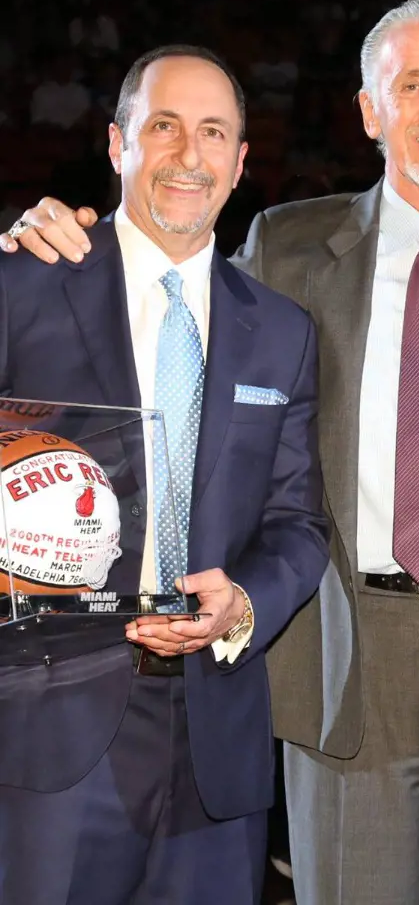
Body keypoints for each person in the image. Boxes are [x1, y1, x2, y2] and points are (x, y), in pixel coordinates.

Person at [3, 0, 419, 905]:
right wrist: (42, 237)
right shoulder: (288, 249)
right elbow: (161, 283)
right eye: (408, 84)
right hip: (344, 650)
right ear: (368, 112)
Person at [0, 45, 330, 905]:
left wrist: (246, 602)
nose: (190, 154)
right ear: (118, 145)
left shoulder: (283, 331)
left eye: (214, 132)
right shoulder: (23, 287)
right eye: (165, 127)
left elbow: (299, 522)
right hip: (51, 736)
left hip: (216, 744)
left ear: (241, 162)